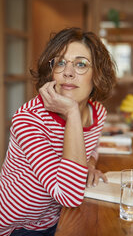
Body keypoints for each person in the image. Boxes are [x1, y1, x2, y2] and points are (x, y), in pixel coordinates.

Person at [0, 27, 117, 236]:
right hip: (14, 226)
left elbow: (92, 146)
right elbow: (69, 195)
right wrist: (72, 113)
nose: (68, 72)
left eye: (81, 64)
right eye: (60, 62)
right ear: (51, 72)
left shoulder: (97, 112)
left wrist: (89, 163)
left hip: (56, 218)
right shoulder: (29, 119)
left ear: (97, 74)